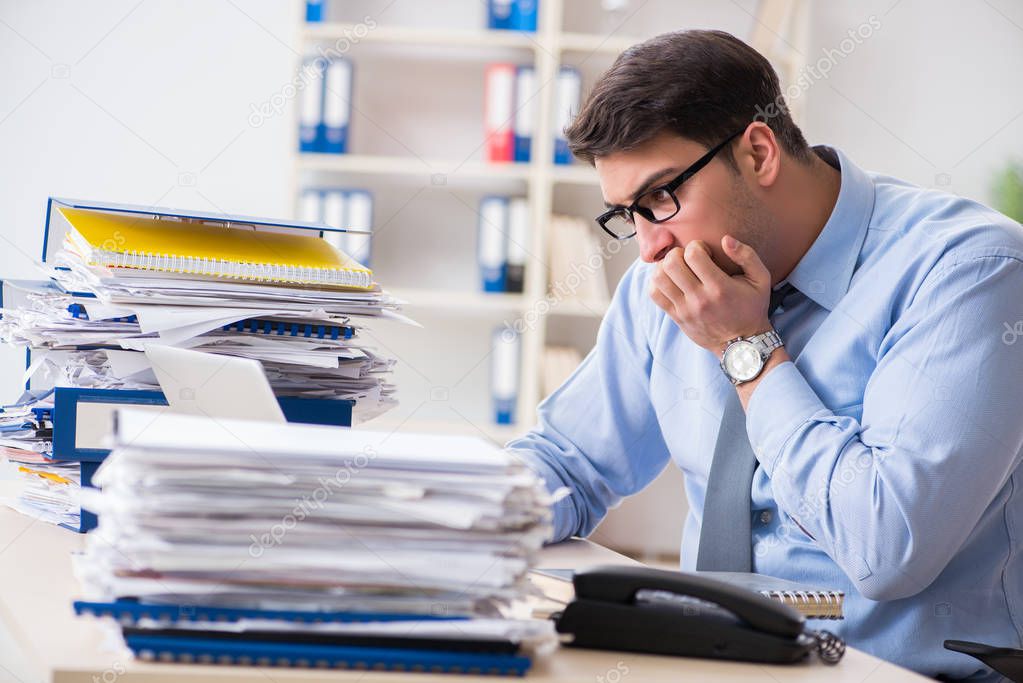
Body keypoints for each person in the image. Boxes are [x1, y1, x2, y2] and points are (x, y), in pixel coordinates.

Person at [506, 29, 1023, 681]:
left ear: (756, 151)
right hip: (708, 661)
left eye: (662, 197)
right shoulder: (669, 275)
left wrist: (745, 347)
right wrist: (451, 521)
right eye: (625, 214)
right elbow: (568, 461)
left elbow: (887, 550)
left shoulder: (970, 272)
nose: (646, 248)